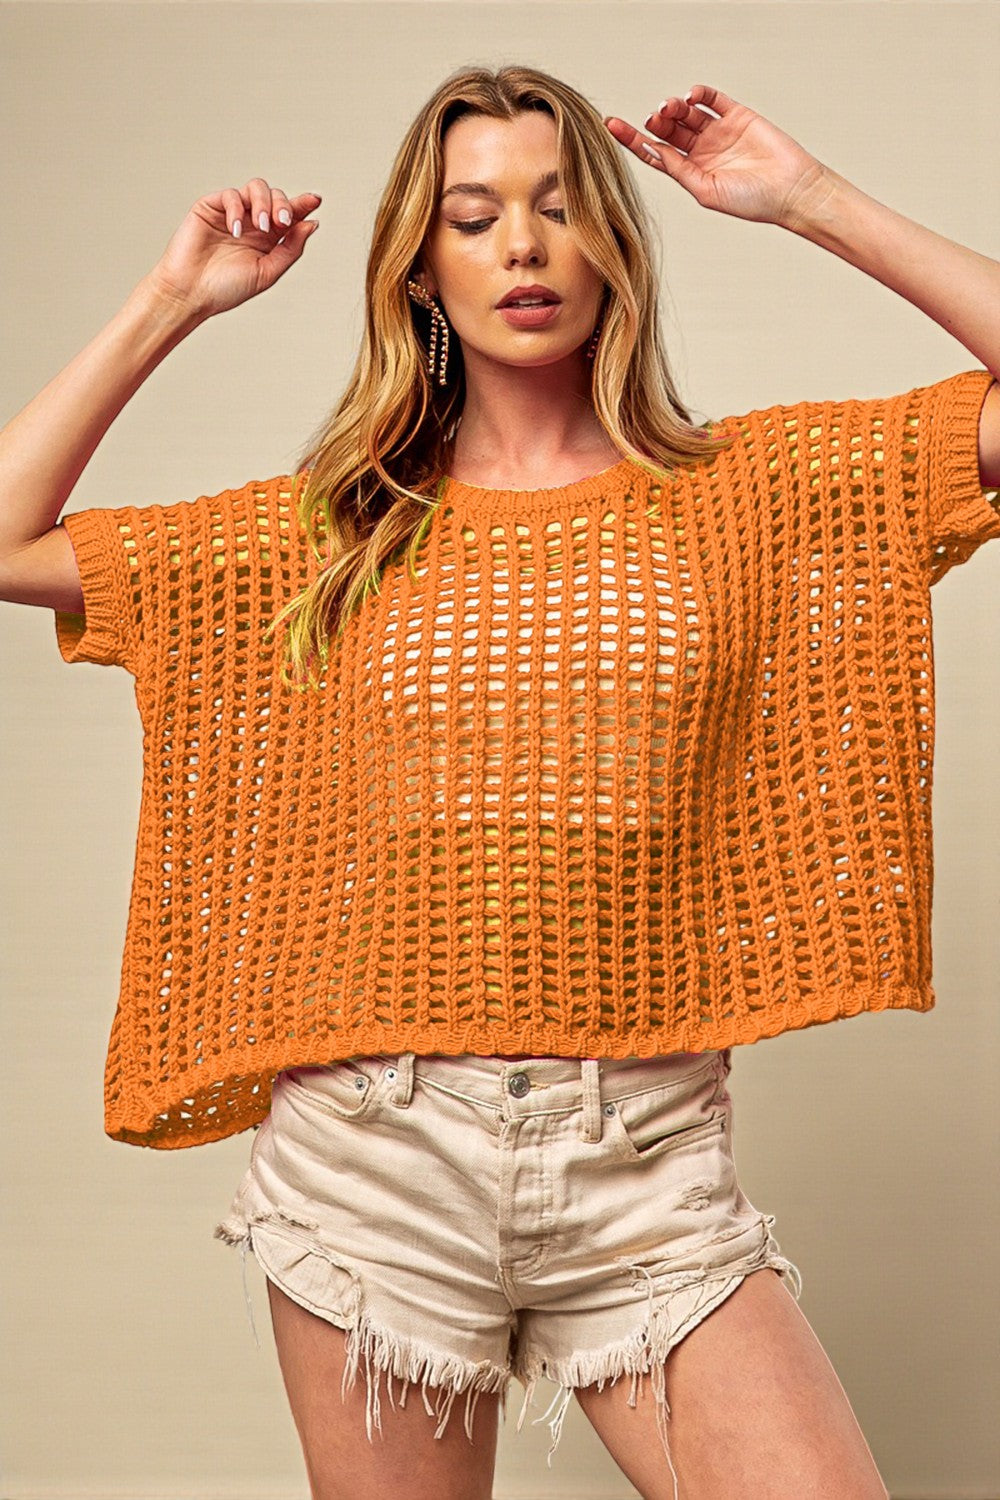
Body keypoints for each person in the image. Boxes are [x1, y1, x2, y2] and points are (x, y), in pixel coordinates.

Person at [2, 62, 998, 1500]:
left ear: (616, 244)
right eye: (473, 218)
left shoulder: (753, 493)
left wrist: (808, 199)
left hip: (643, 1153)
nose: (522, 246)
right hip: (377, 1154)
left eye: (559, 207)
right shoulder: (330, 534)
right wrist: (175, 298)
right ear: (421, 267)